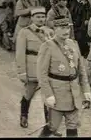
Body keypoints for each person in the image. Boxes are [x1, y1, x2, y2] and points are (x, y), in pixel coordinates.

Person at [37, 18, 91, 137]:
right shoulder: (47, 46)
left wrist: (86, 90)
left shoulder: (73, 44)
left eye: (67, 27)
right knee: (52, 126)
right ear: (54, 29)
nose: (66, 31)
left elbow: (81, 70)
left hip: (74, 94)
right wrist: (48, 94)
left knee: (73, 125)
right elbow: (42, 74)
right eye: (62, 28)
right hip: (57, 94)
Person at [15, 7, 60, 135]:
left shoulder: (50, 32)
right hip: (32, 69)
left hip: (47, 71)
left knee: (49, 98)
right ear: (32, 18)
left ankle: (50, 125)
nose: (41, 19)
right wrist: (22, 72)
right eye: (38, 17)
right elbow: (20, 53)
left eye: (43, 17)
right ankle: (24, 116)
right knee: (28, 94)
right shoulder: (25, 32)